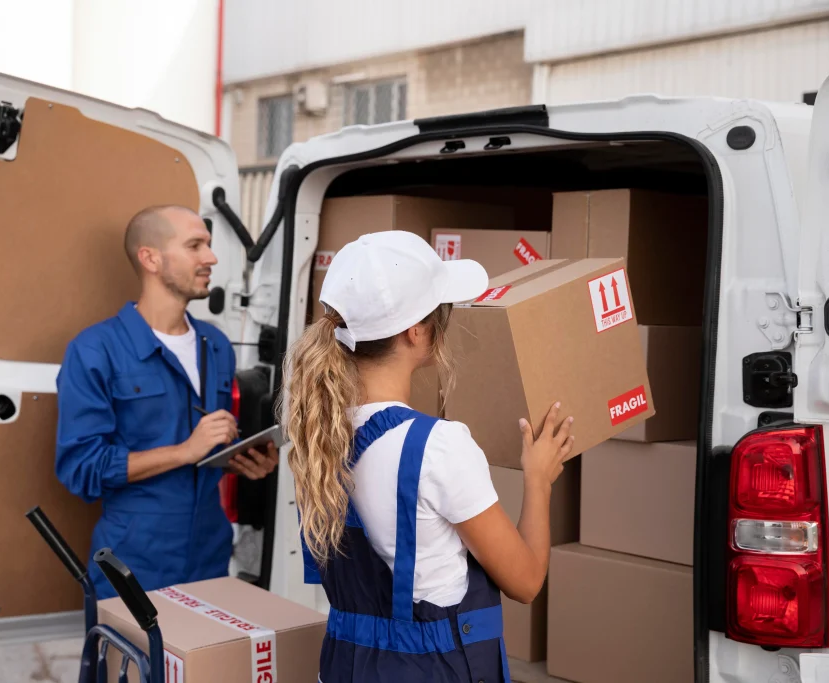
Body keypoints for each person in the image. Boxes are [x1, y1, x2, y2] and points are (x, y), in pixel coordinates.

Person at [281, 231, 575, 683]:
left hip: (343, 669)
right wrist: (539, 480)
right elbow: (526, 581)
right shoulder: (438, 446)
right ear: (416, 331)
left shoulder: (317, 435)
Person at [55, 205, 279, 599]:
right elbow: (81, 468)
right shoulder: (95, 351)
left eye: (208, 245)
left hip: (211, 555)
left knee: (207, 660)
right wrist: (184, 451)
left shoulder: (217, 346)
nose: (210, 258)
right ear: (151, 258)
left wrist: (244, 462)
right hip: (134, 562)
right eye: (195, 246)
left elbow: (209, 448)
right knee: (135, 662)